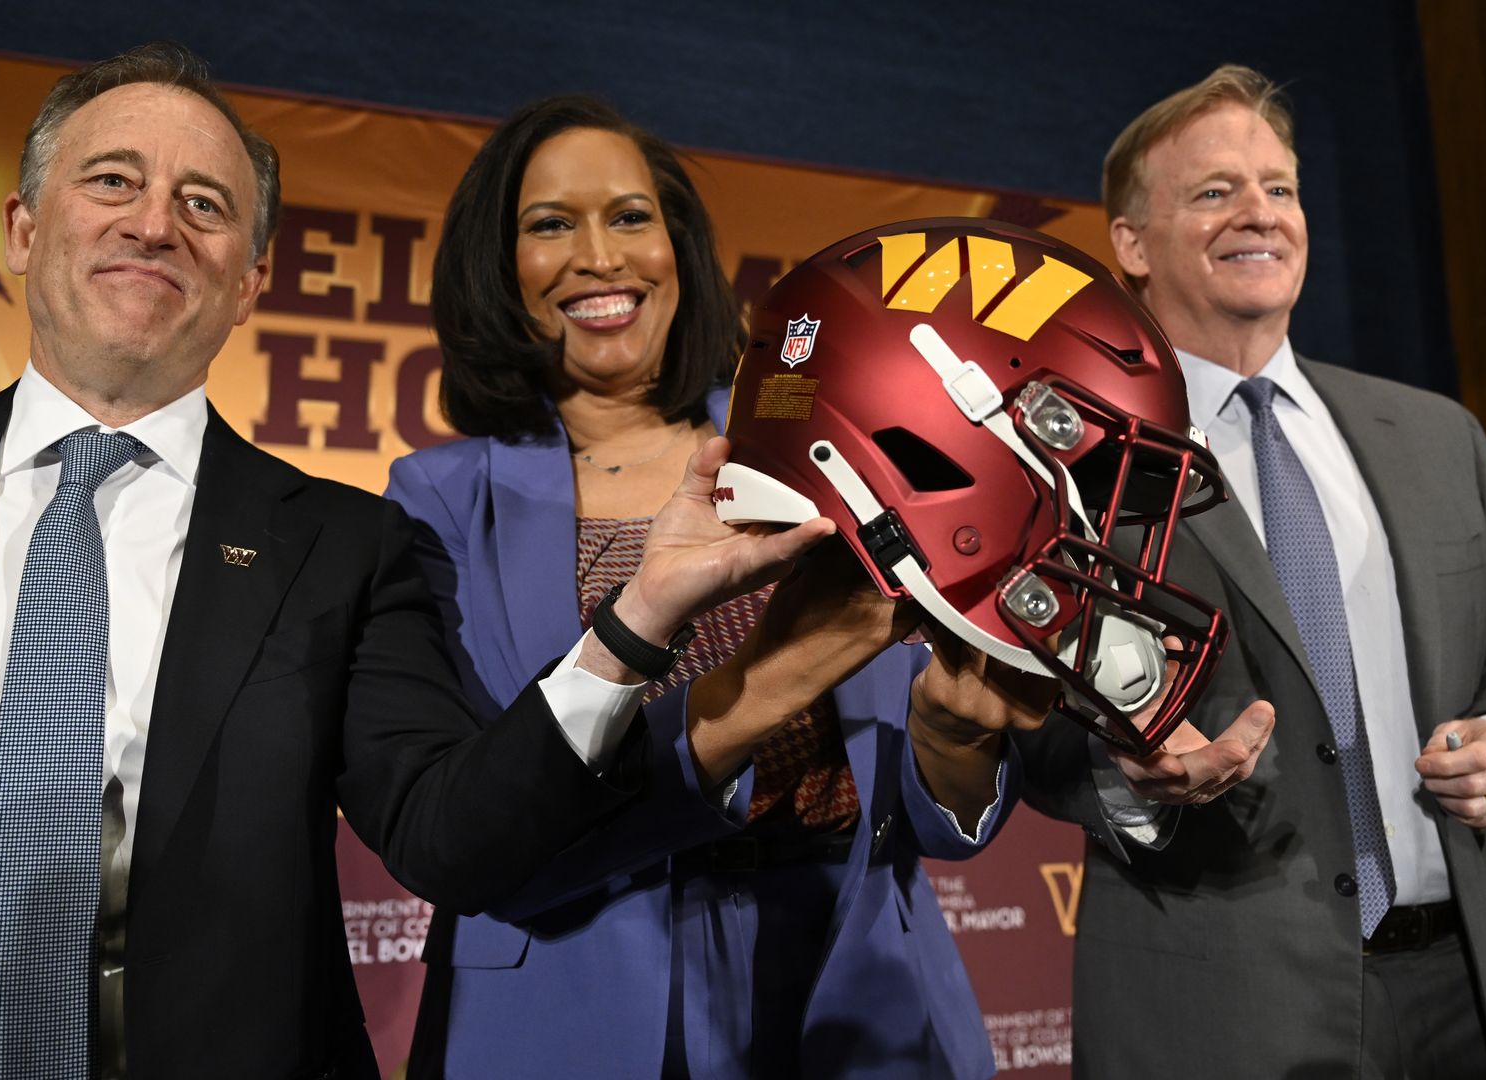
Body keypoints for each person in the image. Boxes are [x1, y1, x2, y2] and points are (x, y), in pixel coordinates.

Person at [0, 45, 848, 1080]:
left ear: (250, 280)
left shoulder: (344, 546)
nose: (153, 223)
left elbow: (454, 835)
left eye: (204, 203)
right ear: (24, 229)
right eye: (113, 182)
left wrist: (636, 616)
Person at [387, 95, 1053, 1080]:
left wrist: (955, 740)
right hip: (573, 996)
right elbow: (477, 818)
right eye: (549, 225)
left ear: (677, 247)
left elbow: (924, 821)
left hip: (855, 991)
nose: (600, 255)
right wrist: (759, 689)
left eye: (628, 216)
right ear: (496, 267)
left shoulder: (818, 447)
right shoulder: (438, 498)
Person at [1015, 64, 1486, 1078]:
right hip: (1220, 1006)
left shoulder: (1436, 435)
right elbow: (1029, 726)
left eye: (1279, 187)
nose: (1260, 214)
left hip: (1476, 990)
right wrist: (1135, 779)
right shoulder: (1071, 465)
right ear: (1131, 244)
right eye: (1214, 191)